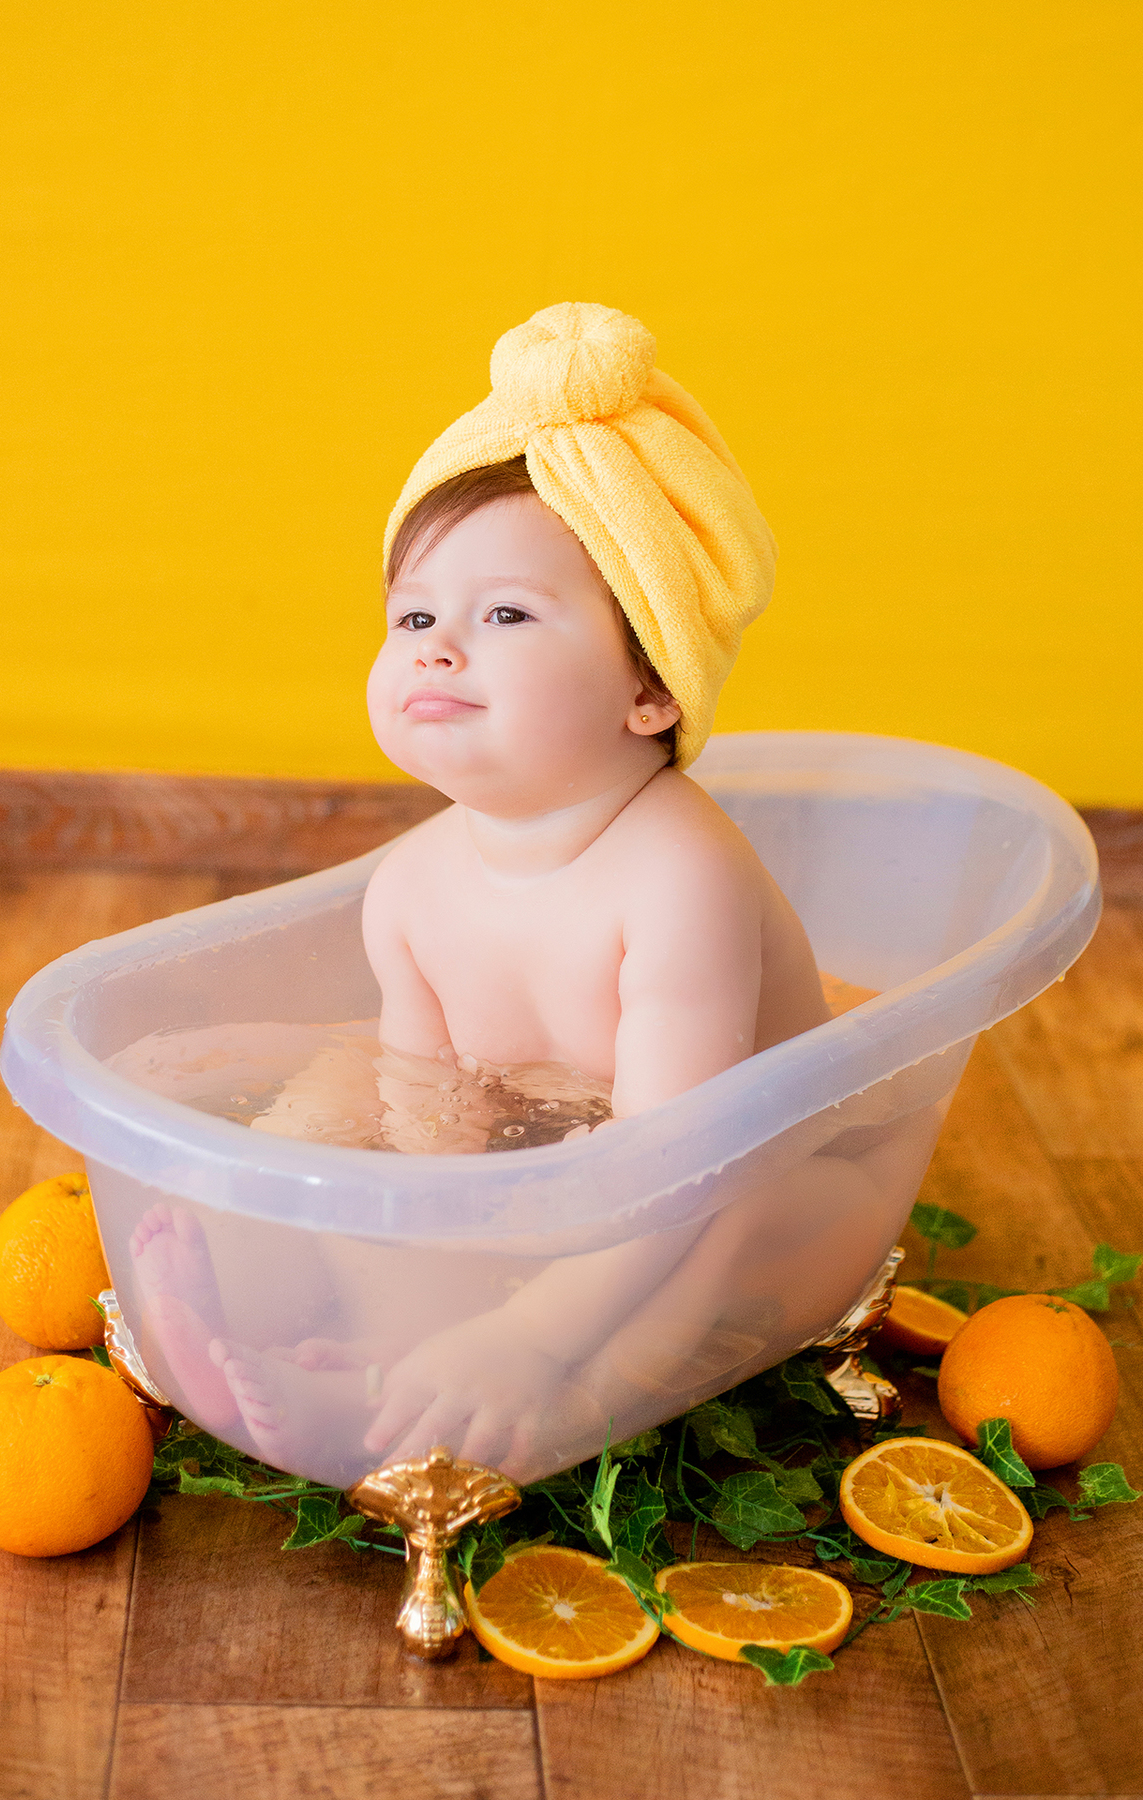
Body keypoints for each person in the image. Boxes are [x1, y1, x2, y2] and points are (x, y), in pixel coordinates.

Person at [130, 302, 840, 1481]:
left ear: (649, 691)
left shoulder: (680, 878)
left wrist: (529, 1329)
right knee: (350, 1085)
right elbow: (435, 1119)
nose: (436, 648)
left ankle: (552, 1400)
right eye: (414, 616)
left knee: (737, 1217)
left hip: (742, 1182)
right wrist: (424, 1254)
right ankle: (286, 1300)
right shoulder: (410, 887)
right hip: (548, 1146)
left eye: (503, 614)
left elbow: (676, 1165)